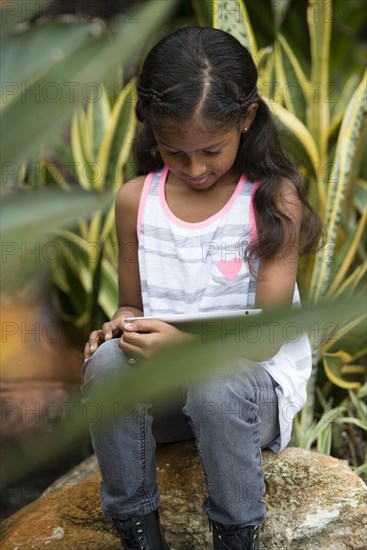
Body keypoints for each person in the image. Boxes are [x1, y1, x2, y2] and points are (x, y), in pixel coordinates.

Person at [81, 26, 323, 550]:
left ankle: (237, 535)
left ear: (246, 119)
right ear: (153, 134)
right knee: (104, 367)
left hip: (247, 394)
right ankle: (139, 533)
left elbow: (265, 339)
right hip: (170, 391)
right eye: (175, 154)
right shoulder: (135, 201)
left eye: (211, 150)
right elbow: (133, 304)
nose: (195, 169)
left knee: (215, 381)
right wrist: (120, 325)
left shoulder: (272, 199)